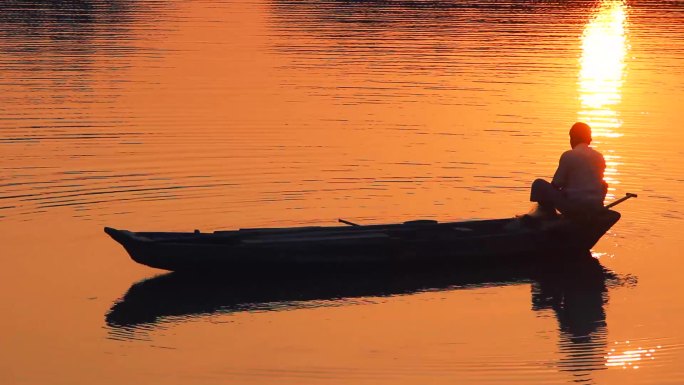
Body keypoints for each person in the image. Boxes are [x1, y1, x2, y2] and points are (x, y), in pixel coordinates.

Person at [530, 122, 608, 217]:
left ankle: (546, 216)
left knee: (538, 184)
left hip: (574, 208)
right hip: (595, 206)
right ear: (589, 139)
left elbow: (556, 184)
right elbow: (599, 185)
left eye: (571, 138)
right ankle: (596, 210)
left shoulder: (569, 155)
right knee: (603, 184)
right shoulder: (599, 157)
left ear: (573, 138)